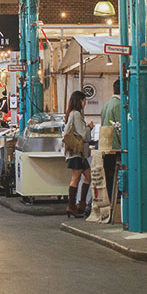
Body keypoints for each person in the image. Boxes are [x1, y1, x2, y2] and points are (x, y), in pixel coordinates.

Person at [94, 80, 122, 223]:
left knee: (109, 178)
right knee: (116, 179)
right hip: (116, 148)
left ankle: (109, 208)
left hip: (105, 148)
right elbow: (121, 127)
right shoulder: (119, 105)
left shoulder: (106, 105)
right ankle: (116, 207)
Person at [63, 90, 91, 218]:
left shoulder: (71, 114)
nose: (85, 102)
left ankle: (81, 204)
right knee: (76, 179)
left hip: (79, 154)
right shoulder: (77, 115)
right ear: (79, 101)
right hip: (77, 153)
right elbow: (83, 135)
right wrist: (89, 127)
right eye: (84, 100)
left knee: (87, 176)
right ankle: (72, 206)